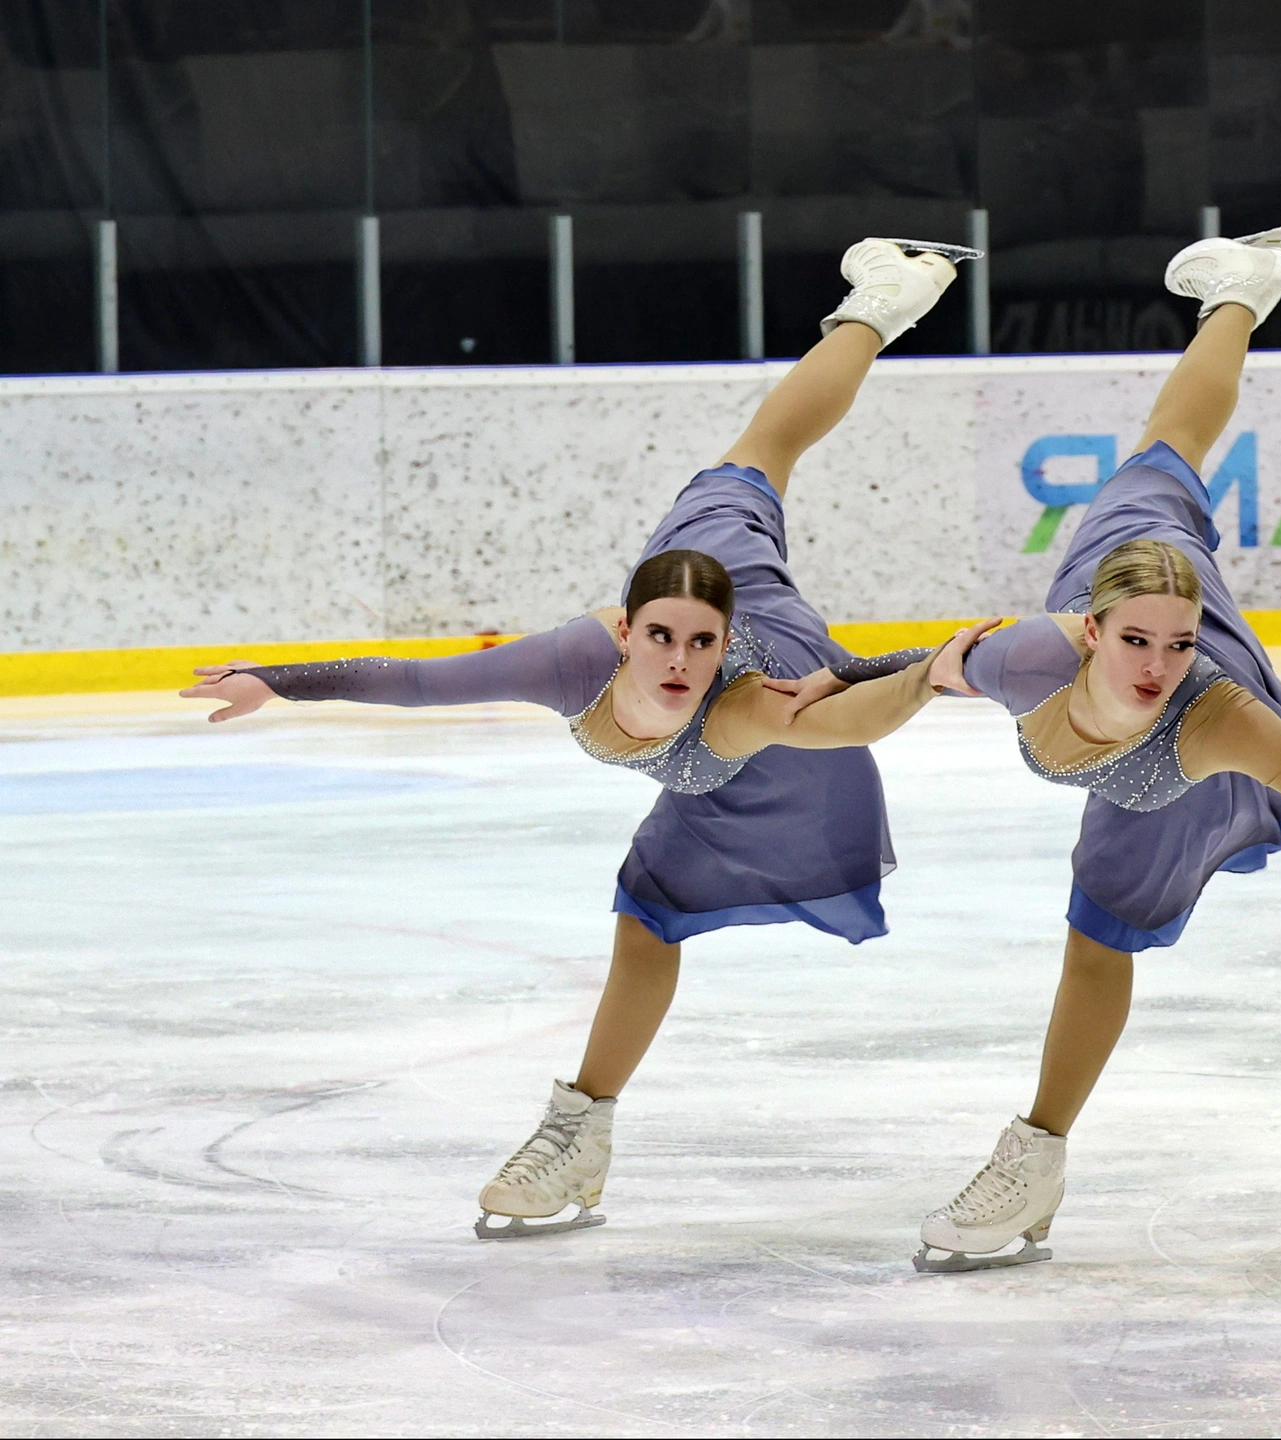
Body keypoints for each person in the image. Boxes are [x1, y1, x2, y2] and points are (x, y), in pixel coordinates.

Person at [178, 238, 993, 1239]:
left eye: (697, 643)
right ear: (621, 630)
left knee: (653, 902)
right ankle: (884, 298)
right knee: (756, 453)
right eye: (660, 640)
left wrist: (930, 672)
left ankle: (576, 1128)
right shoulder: (576, 656)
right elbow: (421, 684)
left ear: (717, 637)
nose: (679, 662)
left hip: (786, 709)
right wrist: (282, 682)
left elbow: (844, 715)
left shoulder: (737, 696)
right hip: (703, 554)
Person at [811, 221, 1281, 1271]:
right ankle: (1243, 284)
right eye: (1135, 644)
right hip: (1123, 554)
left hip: (1177, 716)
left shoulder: (1212, 706)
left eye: (1172, 647)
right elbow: (908, 670)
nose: (1153, 664)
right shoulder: (1028, 660)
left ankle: (1034, 1153)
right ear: (1092, 633)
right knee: (1158, 456)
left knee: (1098, 921)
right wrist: (816, 687)